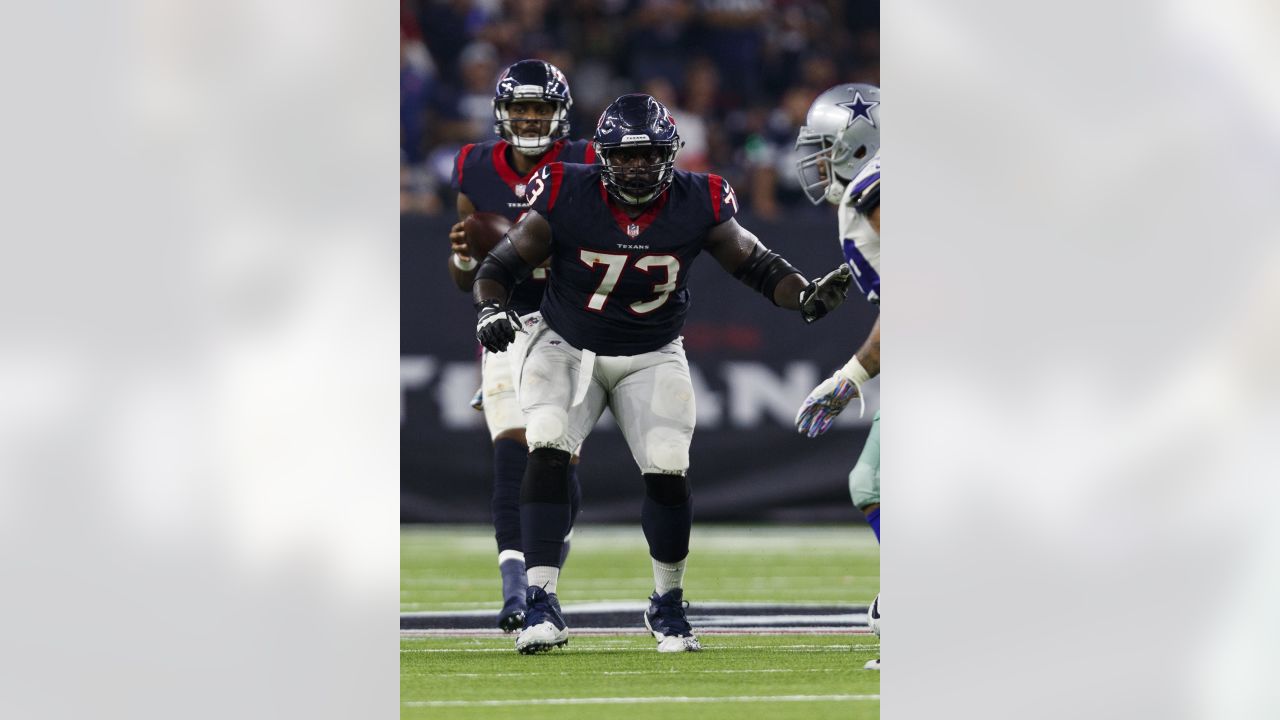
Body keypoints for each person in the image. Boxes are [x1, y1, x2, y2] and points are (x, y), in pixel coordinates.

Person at [471, 93, 854, 654]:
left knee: (669, 465)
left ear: (670, 153)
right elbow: (500, 265)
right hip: (564, 342)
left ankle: (667, 602)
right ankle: (540, 601)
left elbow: (753, 261)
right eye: (625, 157)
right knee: (547, 440)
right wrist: (490, 308)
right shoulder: (566, 189)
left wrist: (803, 296)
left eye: (649, 154)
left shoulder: (698, 199)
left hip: (650, 350)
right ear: (602, 156)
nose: (636, 166)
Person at [447, 59, 595, 633]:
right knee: (511, 446)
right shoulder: (476, 166)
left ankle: (542, 585)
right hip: (507, 320)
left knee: (555, 454)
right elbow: (467, 277)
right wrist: (467, 253)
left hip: (574, 320)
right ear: (502, 113)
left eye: (540, 108)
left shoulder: (587, 160)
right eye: (521, 108)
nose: (530, 117)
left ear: (560, 115)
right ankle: (516, 591)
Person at [791, 83, 882, 670]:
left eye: (825, 147)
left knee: (876, 484)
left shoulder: (878, 188)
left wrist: (851, 376)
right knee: (873, 483)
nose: (816, 160)